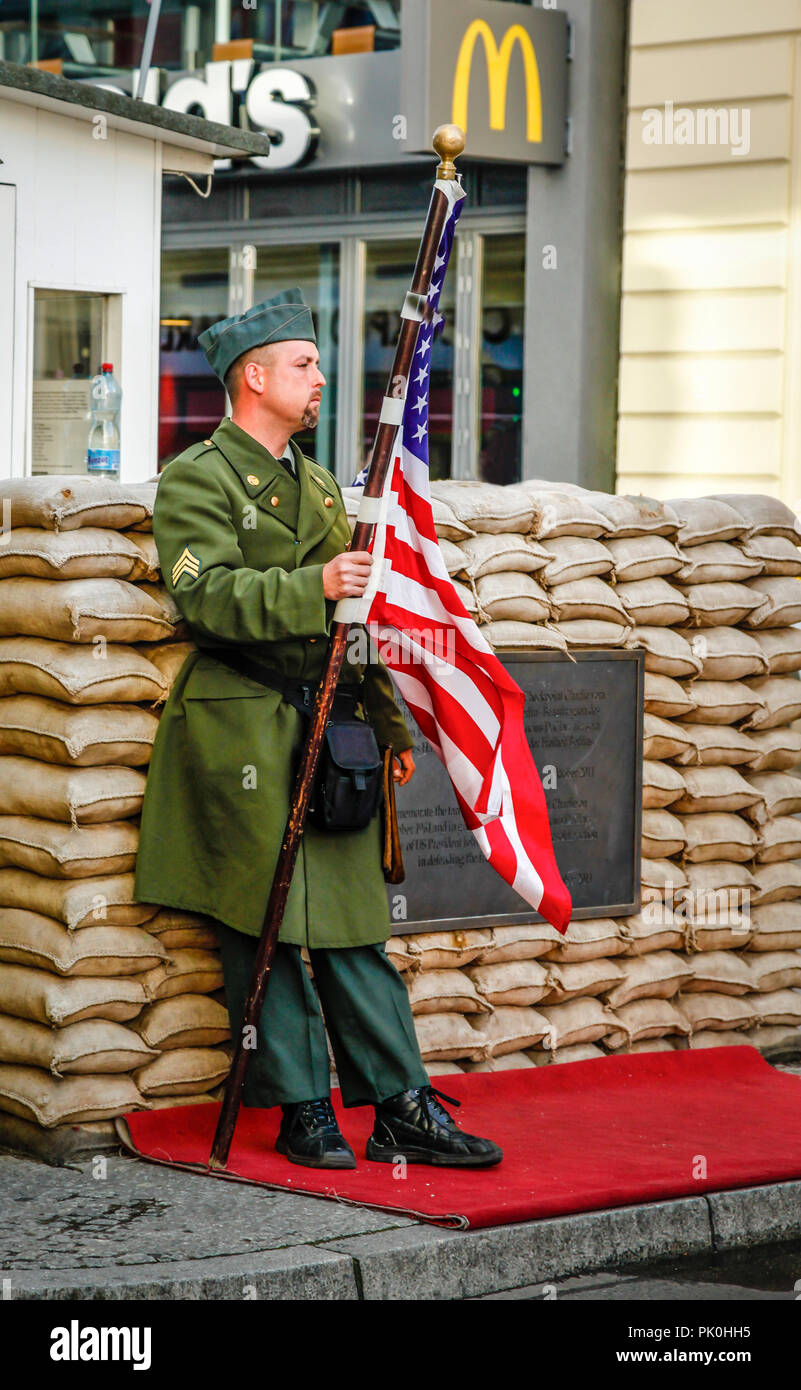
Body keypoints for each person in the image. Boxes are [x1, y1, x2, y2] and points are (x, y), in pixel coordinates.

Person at [134, 288, 502, 1171]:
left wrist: (387, 724)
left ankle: (401, 1106)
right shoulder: (198, 477)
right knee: (263, 932)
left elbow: (358, 621)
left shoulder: (322, 486)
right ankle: (303, 1108)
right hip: (240, 734)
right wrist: (314, 587)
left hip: (330, 731)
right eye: (303, 363)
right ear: (253, 377)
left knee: (350, 925)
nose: (319, 377)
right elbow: (204, 594)